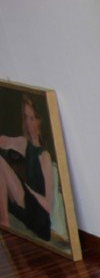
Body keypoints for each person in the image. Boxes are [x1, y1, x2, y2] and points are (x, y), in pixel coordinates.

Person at [0, 94, 54, 241]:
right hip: (22, 202)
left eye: (32, 118)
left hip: (38, 215)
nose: (28, 123)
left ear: (39, 121)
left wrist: (27, 189)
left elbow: (48, 206)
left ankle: (4, 225)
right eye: (25, 117)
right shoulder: (23, 143)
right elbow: (4, 140)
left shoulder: (44, 156)